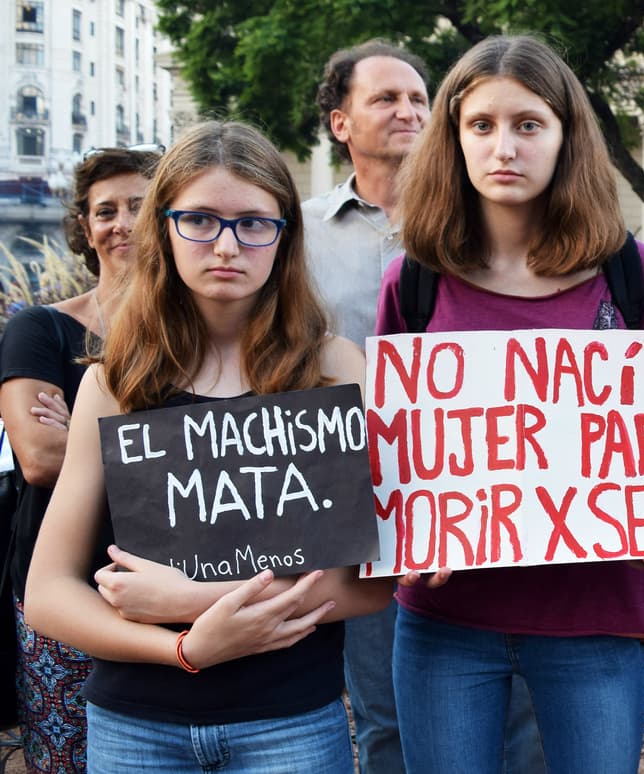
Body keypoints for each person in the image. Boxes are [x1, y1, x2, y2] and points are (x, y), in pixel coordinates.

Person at [374, 35, 644, 773]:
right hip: (446, 626)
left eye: (529, 124)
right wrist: (401, 536)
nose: (504, 148)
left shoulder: (631, 272)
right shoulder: (414, 280)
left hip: (594, 619)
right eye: (481, 125)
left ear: (566, 136)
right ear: (453, 139)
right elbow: (392, 446)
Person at [23, 120, 394, 772]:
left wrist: (191, 600)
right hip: (136, 725)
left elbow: (371, 584)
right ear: (164, 228)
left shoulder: (334, 369)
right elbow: (49, 593)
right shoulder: (115, 383)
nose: (226, 246)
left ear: (285, 236)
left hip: (289, 722)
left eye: (253, 223)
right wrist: (186, 649)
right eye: (199, 220)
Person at [306, 40, 546, 773]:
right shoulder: (298, 234)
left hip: (483, 492)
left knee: (518, 714)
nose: (408, 110)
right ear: (341, 121)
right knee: (384, 712)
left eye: (419, 98)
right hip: (355, 500)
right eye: (386, 98)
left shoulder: (492, 224)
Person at [0, 144, 161, 773]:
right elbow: (40, 457)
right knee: (67, 759)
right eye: (105, 211)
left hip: (175, 584)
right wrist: (162, 443)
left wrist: (89, 434)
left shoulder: (197, 337)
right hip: (65, 589)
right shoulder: (41, 330)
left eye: (139, 207)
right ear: (85, 229)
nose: (122, 223)